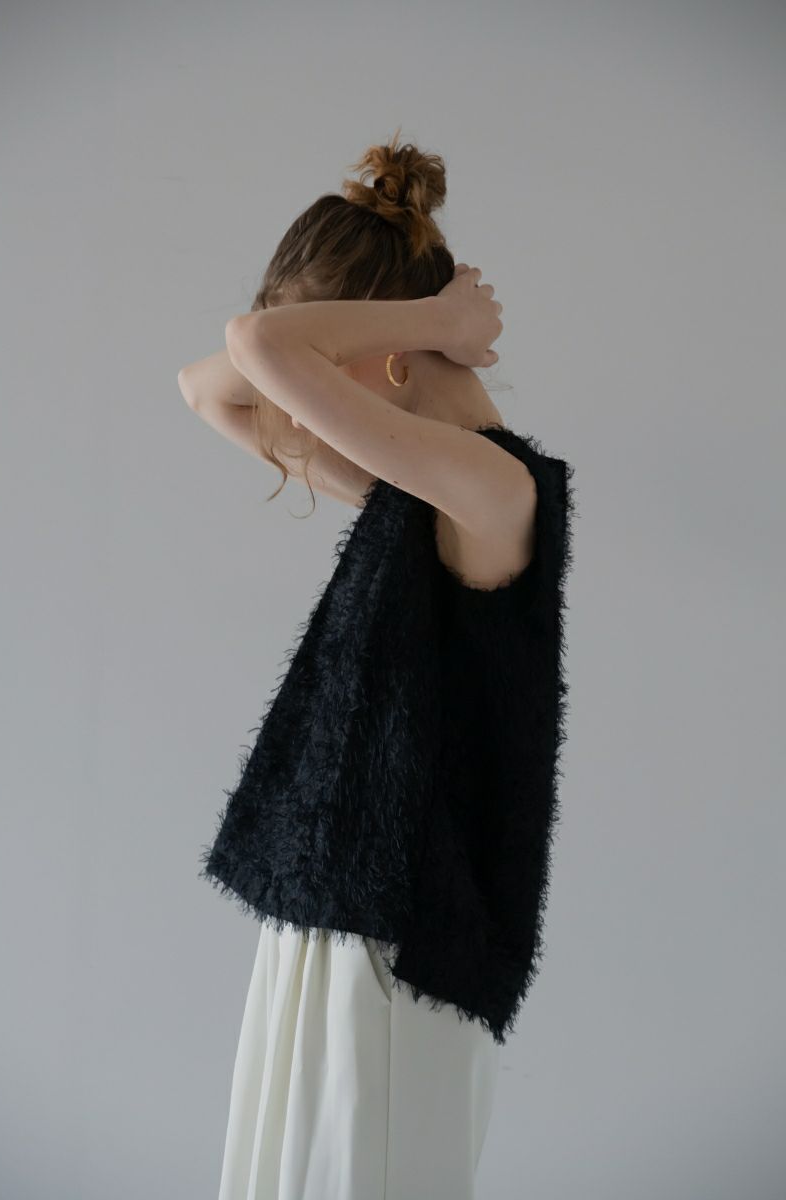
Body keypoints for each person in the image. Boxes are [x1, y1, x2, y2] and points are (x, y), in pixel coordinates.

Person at [179, 129, 575, 1200]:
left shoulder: (496, 492)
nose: (296, 407)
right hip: (331, 914)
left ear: (388, 361)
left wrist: (432, 322)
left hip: (407, 952)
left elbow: (253, 346)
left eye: (324, 371)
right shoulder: (411, 498)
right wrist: (415, 322)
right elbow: (207, 385)